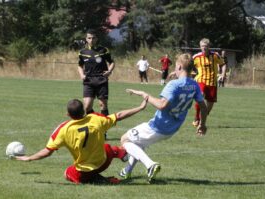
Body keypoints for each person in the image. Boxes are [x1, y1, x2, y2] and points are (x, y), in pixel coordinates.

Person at [15, 97, 148, 185]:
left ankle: (103, 180)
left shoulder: (64, 129)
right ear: (84, 111)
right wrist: (140, 107)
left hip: (86, 169)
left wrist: (29, 158)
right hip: (104, 161)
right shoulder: (95, 118)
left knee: (67, 174)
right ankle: (120, 152)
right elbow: (118, 116)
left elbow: (47, 151)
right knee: (107, 147)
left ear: (68, 114)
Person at [119, 53, 208, 183]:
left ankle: (150, 165)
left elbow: (161, 105)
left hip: (158, 126)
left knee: (125, 140)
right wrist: (203, 124)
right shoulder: (194, 85)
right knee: (139, 143)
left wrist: (146, 95)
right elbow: (203, 107)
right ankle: (127, 171)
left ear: (179, 66)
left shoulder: (174, 84)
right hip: (172, 129)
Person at [77, 29, 114, 118]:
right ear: (86, 39)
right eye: (89, 38)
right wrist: (82, 75)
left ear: (96, 39)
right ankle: (95, 122)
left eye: (93, 38)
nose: (91, 40)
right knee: (87, 106)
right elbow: (79, 65)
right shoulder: (82, 52)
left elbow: (112, 62)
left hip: (101, 79)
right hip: (88, 80)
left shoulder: (104, 50)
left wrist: (109, 71)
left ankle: (104, 129)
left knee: (102, 105)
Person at [192, 38, 227, 127]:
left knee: (210, 105)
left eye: (206, 46)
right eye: (202, 46)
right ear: (200, 47)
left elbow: (223, 64)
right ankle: (196, 117)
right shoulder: (196, 57)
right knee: (201, 95)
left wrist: (223, 74)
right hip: (201, 81)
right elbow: (188, 65)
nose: (204, 48)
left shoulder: (215, 55)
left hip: (212, 83)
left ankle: (201, 119)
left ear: (209, 47)